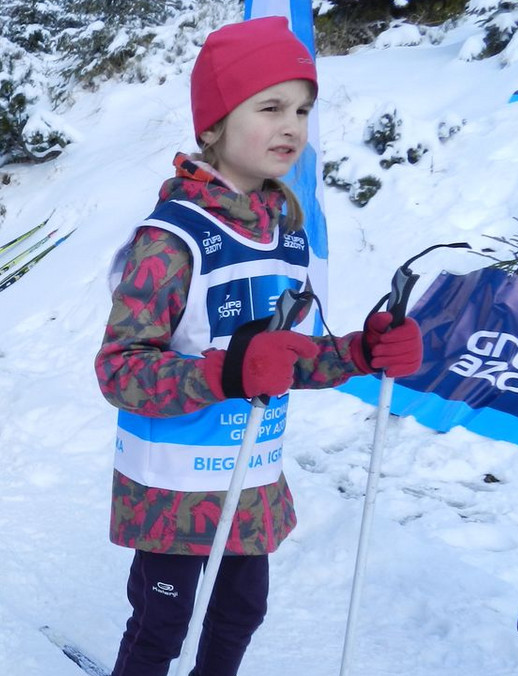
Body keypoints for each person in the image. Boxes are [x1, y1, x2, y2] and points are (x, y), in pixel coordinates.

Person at [93, 17, 425, 676]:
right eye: (270, 106)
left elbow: (286, 359)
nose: (293, 126)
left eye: (302, 109)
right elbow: (120, 370)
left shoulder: (287, 234)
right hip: (175, 486)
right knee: (162, 624)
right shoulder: (171, 238)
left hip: (250, 477)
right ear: (214, 125)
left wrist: (361, 352)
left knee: (241, 611)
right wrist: (225, 372)